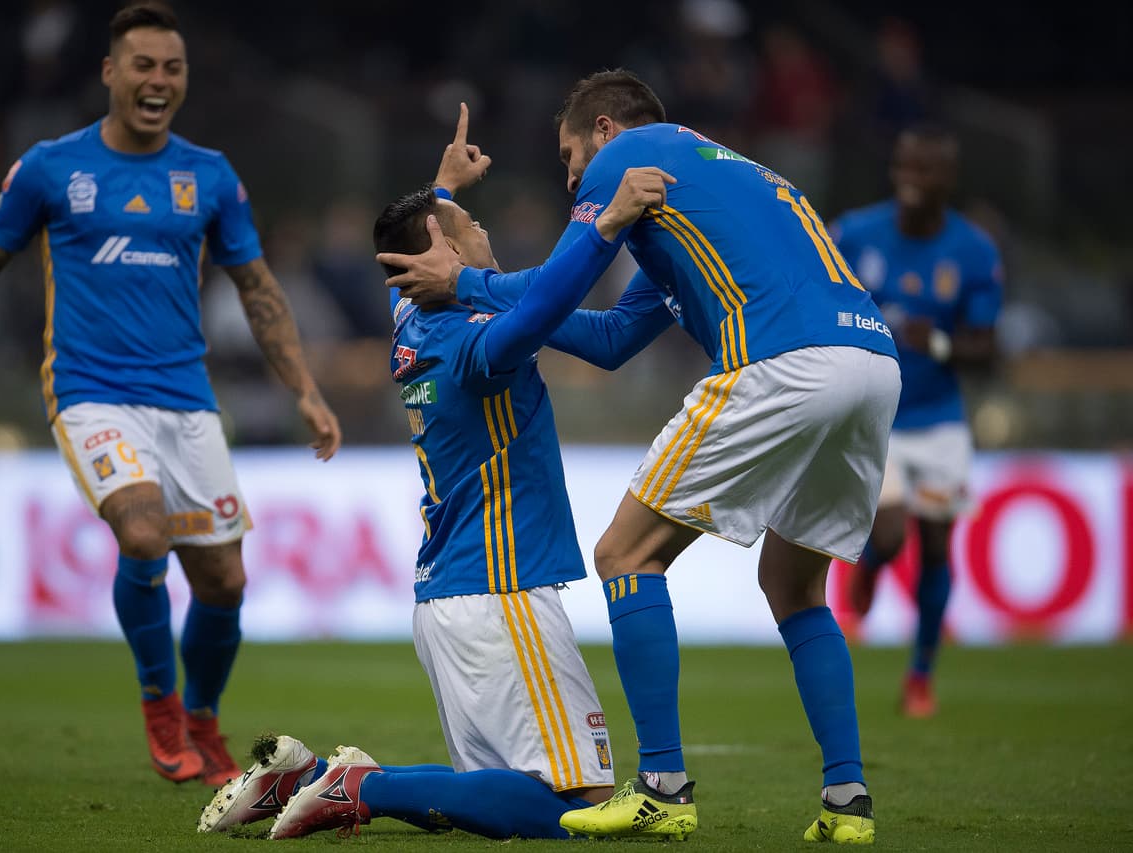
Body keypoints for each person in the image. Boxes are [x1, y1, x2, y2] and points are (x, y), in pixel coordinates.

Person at [378, 69, 902, 844]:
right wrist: (469, 260)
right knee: (795, 585)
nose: (569, 178)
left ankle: (662, 784)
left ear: (604, 130)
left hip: (781, 360)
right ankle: (848, 800)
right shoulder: (715, 194)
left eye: (569, 155)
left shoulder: (640, 156)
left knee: (625, 552)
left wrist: (472, 281)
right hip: (871, 361)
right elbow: (613, 339)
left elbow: (560, 279)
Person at [0, 3, 341, 787]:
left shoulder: (209, 175)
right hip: (90, 390)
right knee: (143, 534)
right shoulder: (47, 169)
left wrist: (304, 388)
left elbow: (259, 287)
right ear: (110, 72)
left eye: (172, 68)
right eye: (143, 65)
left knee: (226, 582)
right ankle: (160, 705)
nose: (158, 81)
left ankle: (202, 719)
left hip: (188, 399)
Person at [199, 105, 672, 840]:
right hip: (502, 590)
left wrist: (443, 189)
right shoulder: (475, 342)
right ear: (438, 252)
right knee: (571, 803)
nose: (482, 233)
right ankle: (362, 783)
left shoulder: (409, 320)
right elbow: (547, 300)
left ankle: (302, 773)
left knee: (488, 798)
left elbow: (415, 254)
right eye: (466, 227)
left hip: (449, 600)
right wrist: (606, 224)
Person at [829, 124, 1002, 718]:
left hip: (940, 421)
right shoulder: (854, 233)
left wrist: (945, 345)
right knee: (892, 532)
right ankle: (871, 568)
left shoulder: (975, 251)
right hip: (875, 416)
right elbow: (821, 304)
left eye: (924, 170)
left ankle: (921, 675)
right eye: (904, 166)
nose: (910, 179)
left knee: (935, 548)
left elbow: (988, 350)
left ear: (947, 179)